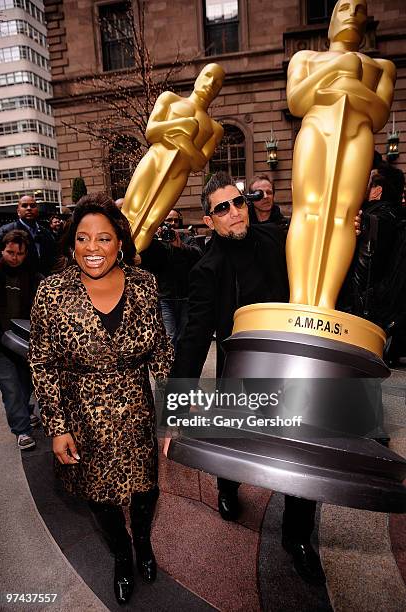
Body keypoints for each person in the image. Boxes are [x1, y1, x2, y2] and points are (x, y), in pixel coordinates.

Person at [170, 172, 324, 585]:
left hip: (291, 369)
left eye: (238, 202)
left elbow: (319, 243)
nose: (235, 212)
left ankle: (297, 538)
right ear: (208, 220)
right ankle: (227, 487)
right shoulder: (207, 269)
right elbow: (193, 338)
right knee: (232, 442)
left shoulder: (276, 237)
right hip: (238, 375)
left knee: (301, 453)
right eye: (222, 208)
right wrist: (174, 408)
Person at [29, 194, 174, 605]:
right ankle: (122, 556)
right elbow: (42, 364)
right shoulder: (52, 293)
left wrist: (171, 410)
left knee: (146, 489)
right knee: (100, 497)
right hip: (82, 417)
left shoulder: (144, 285)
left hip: (136, 411)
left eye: (104, 238)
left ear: (120, 243)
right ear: (71, 244)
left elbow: (161, 350)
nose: (93, 248)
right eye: (83, 238)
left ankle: (144, 544)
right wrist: (57, 428)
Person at [286, 0, 396, 309]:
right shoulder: (305, 57)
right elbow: (296, 101)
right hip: (316, 130)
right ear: (332, 18)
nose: (352, 15)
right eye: (345, 8)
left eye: (360, 9)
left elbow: (378, 113)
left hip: (357, 134)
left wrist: (344, 84)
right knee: (306, 209)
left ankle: (324, 301)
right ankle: (298, 297)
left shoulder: (382, 67)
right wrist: (339, 68)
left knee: (343, 216)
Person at [122, 63, 225, 252]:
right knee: (129, 211)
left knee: (152, 221)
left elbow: (199, 163)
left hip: (177, 175)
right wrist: (181, 125)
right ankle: (113, 254)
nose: (210, 84)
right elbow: (151, 132)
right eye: (208, 76)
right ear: (198, 78)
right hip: (154, 161)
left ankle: (131, 258)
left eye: (217, 83)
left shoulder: (214, 129)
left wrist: (182, 142)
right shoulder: (169, 99)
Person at [0, 230, 43, 450]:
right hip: (0, 343)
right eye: (10, 252)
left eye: (20, 253)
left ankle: (24, 412)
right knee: (10, 387)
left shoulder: (33, 277)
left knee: (26, 385)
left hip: (25, 342)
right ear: (2, 250)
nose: (14, 257)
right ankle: (22, 430)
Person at [140, 209, 202, 350]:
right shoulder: (155, 242)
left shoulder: (187, 238)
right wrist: (154, 240)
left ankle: (181, 366)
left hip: (186, 296)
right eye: (169, 220)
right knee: (170, 335)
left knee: (184, 336)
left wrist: (180, 246)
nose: (172, 224)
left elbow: (199, 255)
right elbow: (145, 262)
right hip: (164, 297)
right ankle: (170, 369)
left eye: (175, 221)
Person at [0, 196, 56, 277]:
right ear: (18, 211)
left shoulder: (46, 232)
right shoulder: (6, 231)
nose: (29, 208)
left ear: (37, 210)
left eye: (32, 206)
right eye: (24, 206)